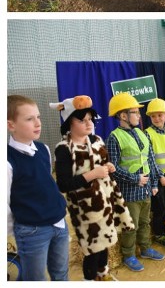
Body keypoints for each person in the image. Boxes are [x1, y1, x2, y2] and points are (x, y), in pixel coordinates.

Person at [55, 96, 133, 281]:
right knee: (92, 248)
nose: (88, 123)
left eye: (90, 119)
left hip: (105, 201)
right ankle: (89, 280)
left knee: (105, 242)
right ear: (69, 123)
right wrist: (93, 174)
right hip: (84, 208)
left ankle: (102, 274)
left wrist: (109, 168)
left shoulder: (97, 140)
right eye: (82, 120)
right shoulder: (64, 149)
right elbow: (64, 184)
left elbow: (103, 164)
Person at [7, 95, 70, 281]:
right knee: (35, 278)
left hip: (59, 223)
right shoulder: (8, 160)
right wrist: (16, 230)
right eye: (29, 119)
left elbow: (45, 183)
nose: (38, 123)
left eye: (38, 117)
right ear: (11, 125)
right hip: (32, 231)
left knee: (61, 273)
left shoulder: (43, 149)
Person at [105, 93, 165, 272]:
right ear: (123, 116)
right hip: (129, 192)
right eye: (135, 112)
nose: (139, 115)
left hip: (146, 190)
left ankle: (145, 249)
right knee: (130, 225)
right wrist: (135, 179)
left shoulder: (141, 132)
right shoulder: (114, 138)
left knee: (145, 222)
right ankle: (128, 255)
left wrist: (154, 183)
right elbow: (112, 168)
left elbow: (150, 160)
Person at [144, 98, 165, 246]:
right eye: (153, 116)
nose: (157, 118)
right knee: (159, 207)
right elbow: (149, 159)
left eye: (160, 115)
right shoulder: (147, 134)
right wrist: (160, 176)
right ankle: (158, 234)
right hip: (156, 177)